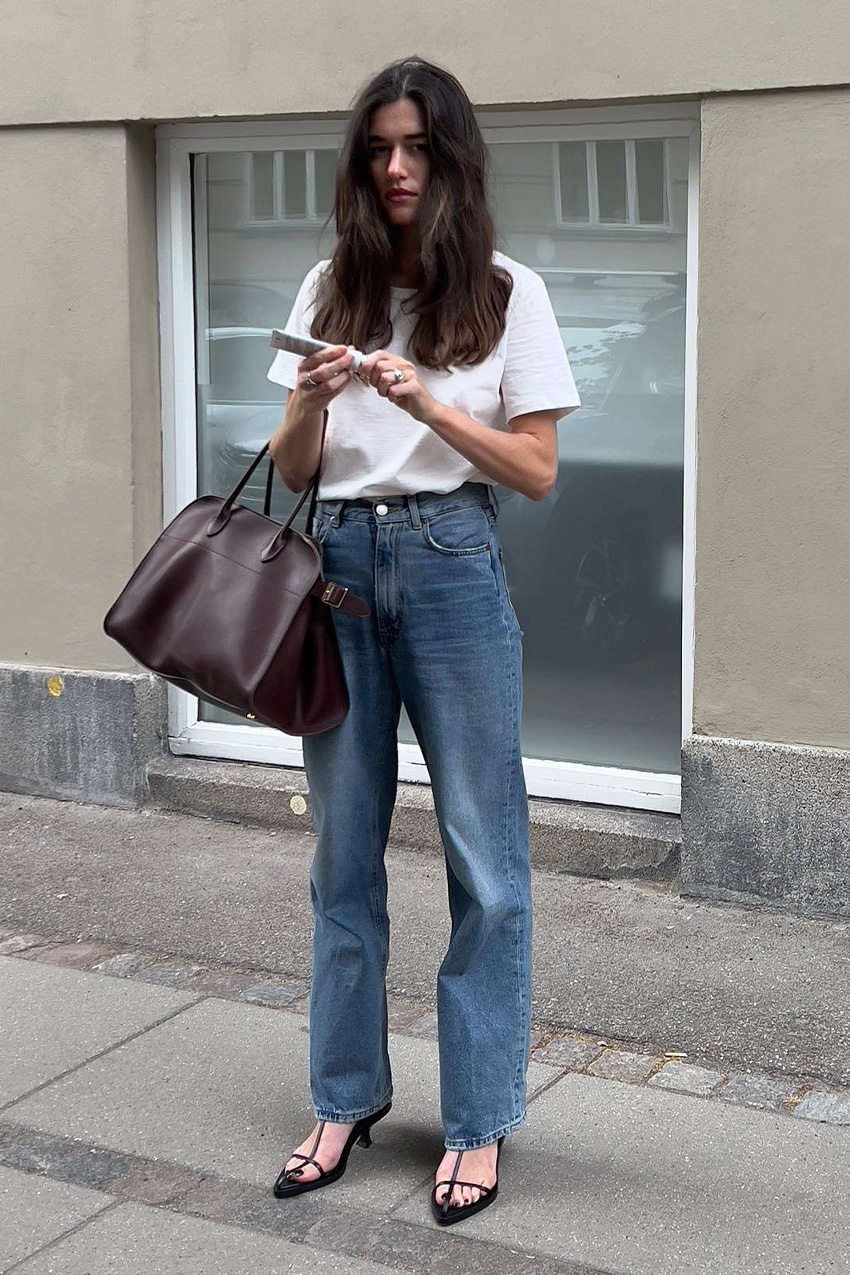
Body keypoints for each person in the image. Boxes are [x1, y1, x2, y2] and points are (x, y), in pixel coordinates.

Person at [265, 54, 580, 1225]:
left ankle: (478, 1118)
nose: (396, 168)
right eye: (378, 150)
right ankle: (343, 1098)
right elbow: (295, 471)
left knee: (484, 864)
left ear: (453, 160)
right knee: (340, 859)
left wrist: (425, 404)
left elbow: (538, 472)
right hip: (336, 571)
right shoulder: (325, 285)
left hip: (451, 565)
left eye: (418, 148)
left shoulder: (508, 293)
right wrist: (311, 396)